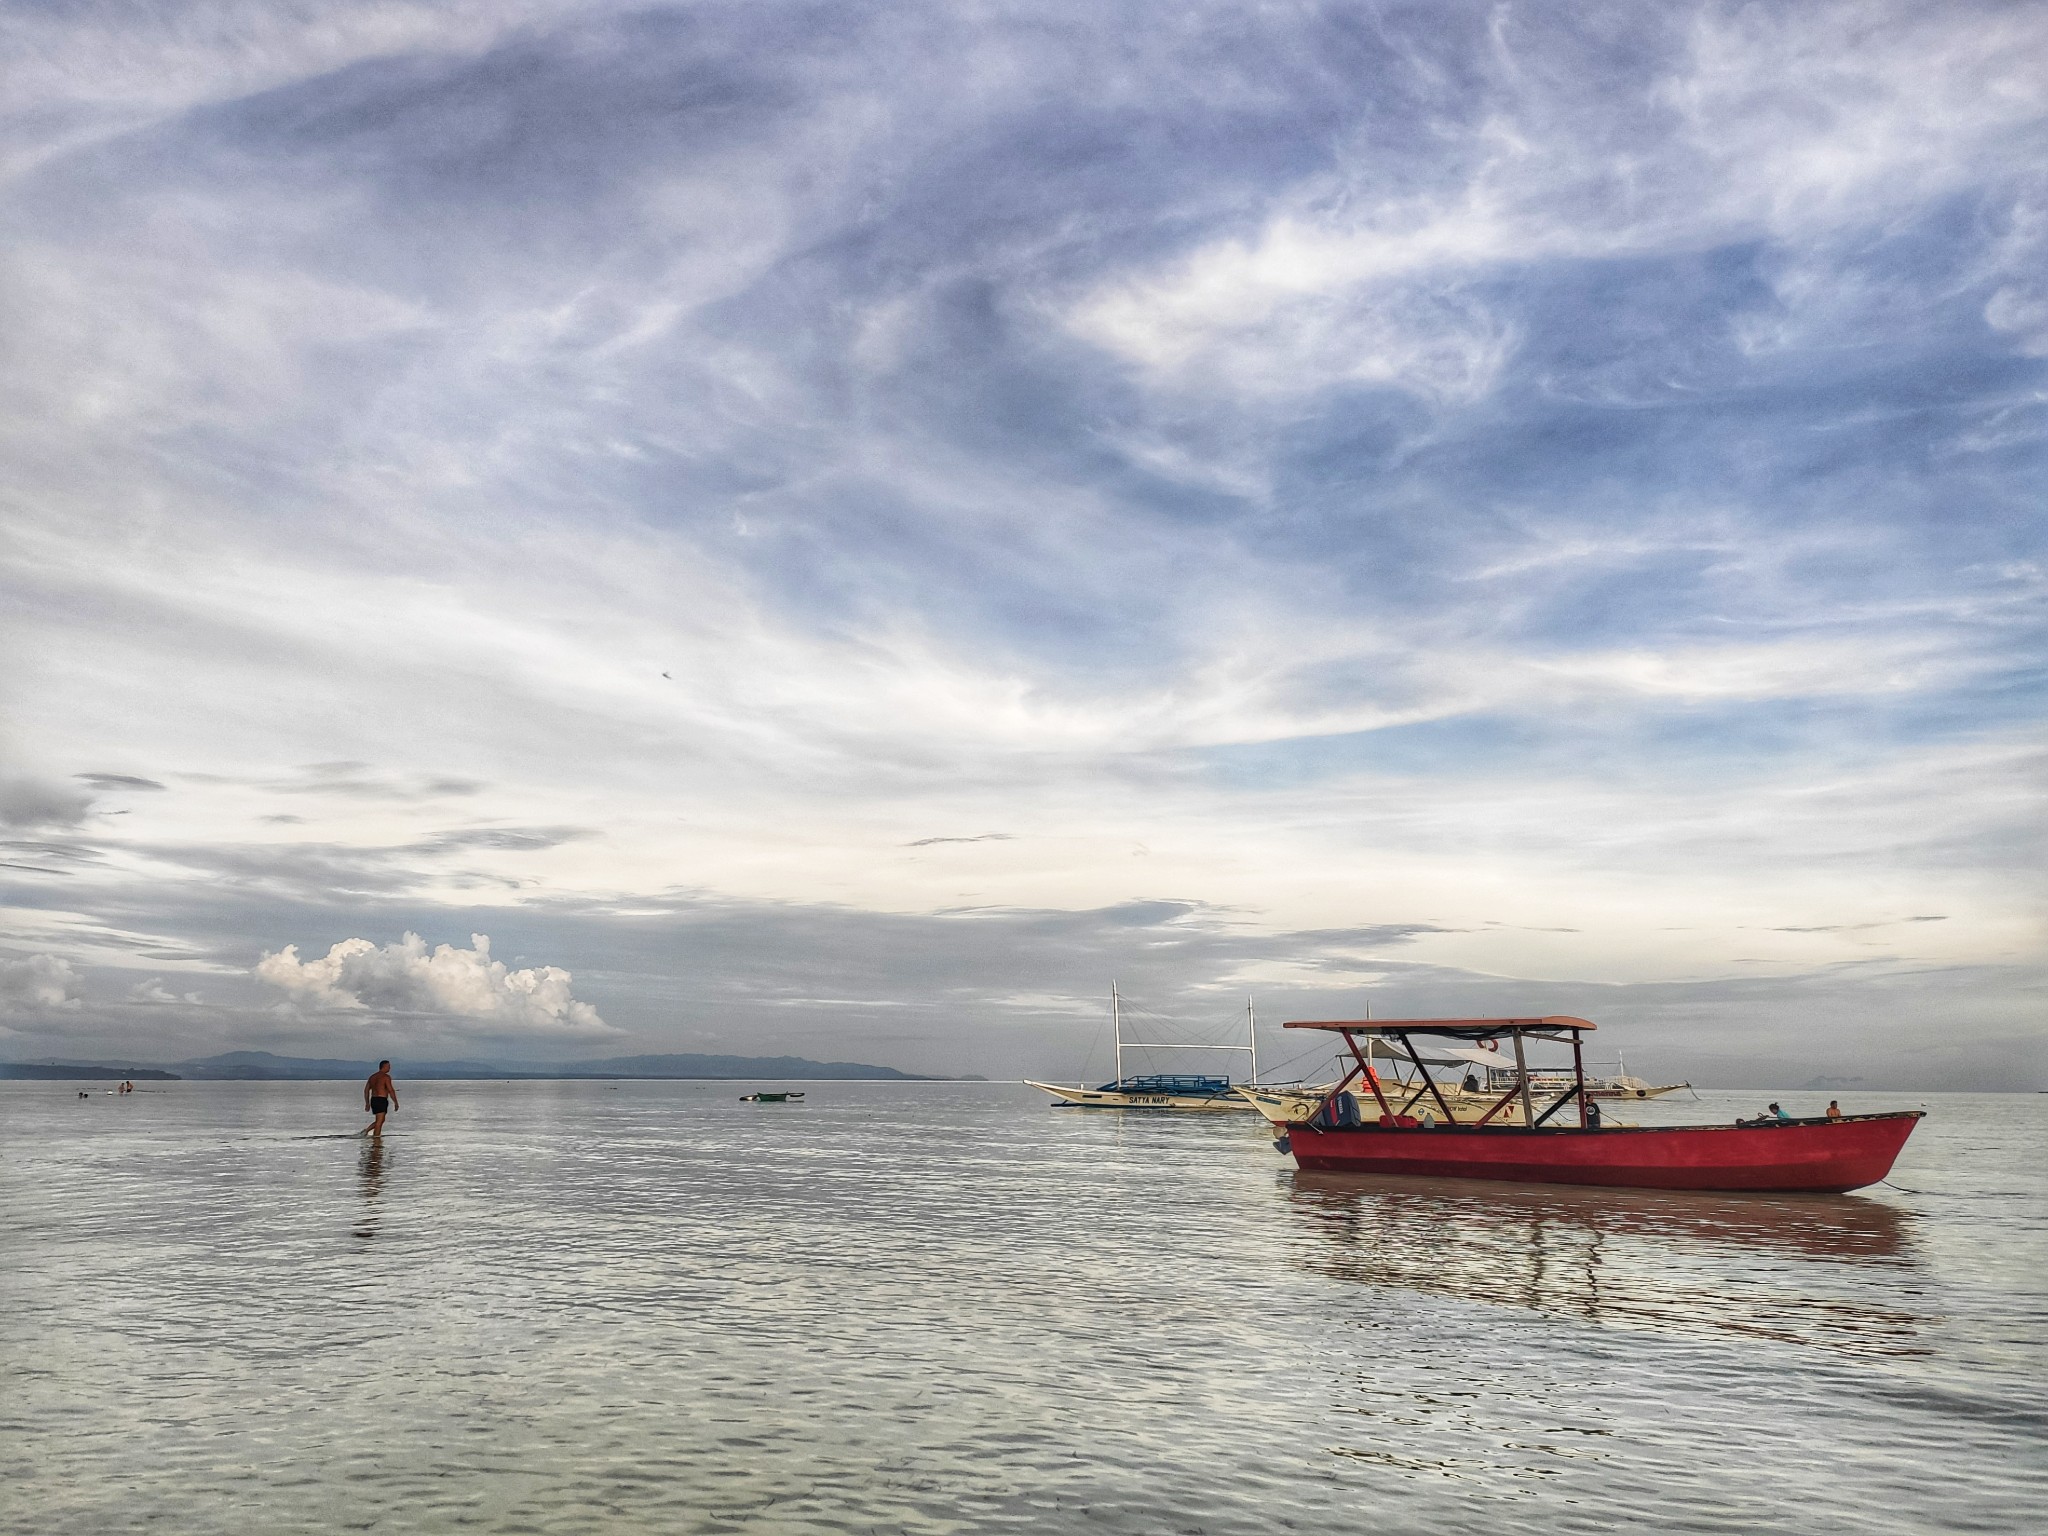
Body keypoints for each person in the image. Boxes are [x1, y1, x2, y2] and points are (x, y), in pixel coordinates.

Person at [362, 1060, 398, 1137]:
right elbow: (390, 1090)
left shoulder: (372, 1077)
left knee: (380, 1120)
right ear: (384, 1066)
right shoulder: (386, 1077)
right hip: (381, 1100)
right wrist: (396, 1102)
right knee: (379, 1121)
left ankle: (366, 1131)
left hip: (374, 1100)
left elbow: (366, 1090)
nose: (390, 1068)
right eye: (388, 1066)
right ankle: (376, 1139)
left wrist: (367, 1103)